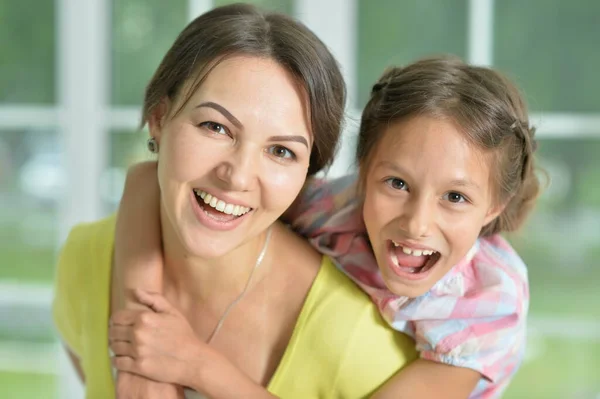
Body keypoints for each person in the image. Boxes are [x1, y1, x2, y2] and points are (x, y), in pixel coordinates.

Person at [115, 56, 541, 398]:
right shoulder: (332, 209)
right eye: (396, 183)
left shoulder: (487, 301)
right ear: (362, 174)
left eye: (455, 197)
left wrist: (195, 364)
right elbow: (144, 178)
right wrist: (139, 361)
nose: (416, 223)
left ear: (493, 208)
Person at [52, 4, 418, 399]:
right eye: (216, 127)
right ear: (160, 118)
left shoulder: (354, 337)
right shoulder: (87, 259)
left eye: (281, 152)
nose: (238, 176)